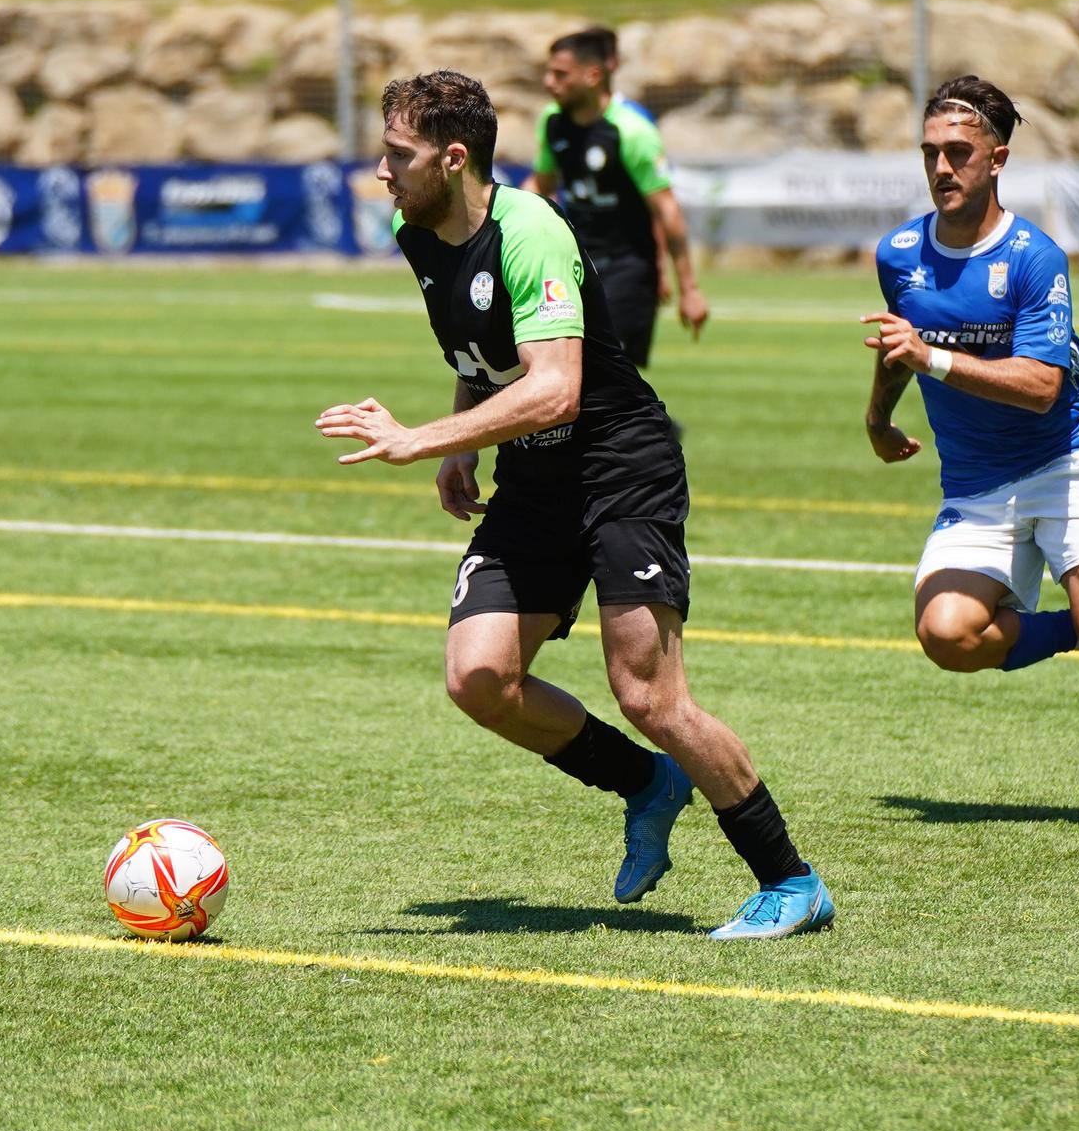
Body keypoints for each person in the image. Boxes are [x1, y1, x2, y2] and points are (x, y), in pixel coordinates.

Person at [318, 69, 833, 938]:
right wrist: (467, 441)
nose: (381, 171)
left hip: (619, 467)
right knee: (478, 677)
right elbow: (482, 355)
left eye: (397, 155)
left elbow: (556, 389)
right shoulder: (420, 233)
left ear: (452, 157)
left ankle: (792, 879)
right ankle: (645, 784)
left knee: (649, 695)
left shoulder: (532, 232)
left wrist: (420, 441)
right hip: (533, 478)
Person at [861, 75, 1079, 829]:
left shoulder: (1036, 257)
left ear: (997, 159)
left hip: (1065, 461)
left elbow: (1041, 386)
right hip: (976, 482)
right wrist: (878, 416)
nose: (942, 168)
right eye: (930, 153)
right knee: (946, 634)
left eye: (959, 153)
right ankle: (1073, 627)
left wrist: (932, 357)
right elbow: (895, 343)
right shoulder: (899, 251)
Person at [526, 28, 707, 371]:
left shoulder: (632, 131)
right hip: (574, 264)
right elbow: (541, 183)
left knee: (606, 372)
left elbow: (665, 208)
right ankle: (661, 427)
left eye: (560, 74)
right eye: (549, 73)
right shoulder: (552, 122)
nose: (550, 82)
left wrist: (689, 288)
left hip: (627, 267)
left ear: (593, 75)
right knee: (565, 369)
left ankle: (658, 427)